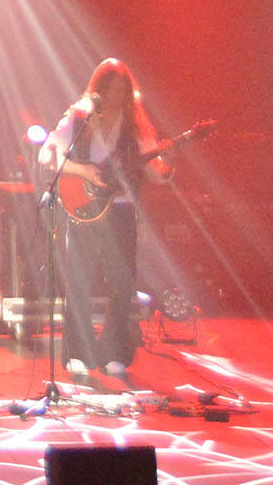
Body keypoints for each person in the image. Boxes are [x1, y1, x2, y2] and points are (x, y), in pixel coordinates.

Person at [39, 57, 171, 378]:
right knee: (79, 281)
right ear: (98, 89)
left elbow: (157, 174)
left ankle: (113, 350)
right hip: (82, 210)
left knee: (123, 283)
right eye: (109, 88)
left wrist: (168, 163)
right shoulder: (78, 118)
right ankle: (79, 352)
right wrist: (82, 169)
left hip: (121, 209)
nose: (115, 95)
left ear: (128, 92)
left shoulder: (137, 127)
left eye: (121, 89)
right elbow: (46, 156)